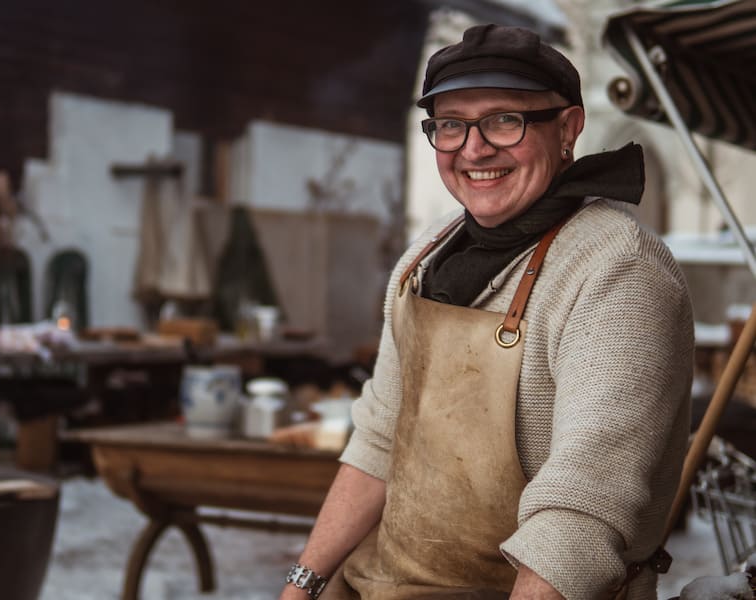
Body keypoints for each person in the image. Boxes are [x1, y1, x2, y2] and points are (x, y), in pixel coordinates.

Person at [279, 23, 694, 600]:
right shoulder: (426, 257)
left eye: (505, 119)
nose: (474, 149)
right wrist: (302, 587)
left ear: (569, 128)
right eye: (451, 125)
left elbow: (581, 509)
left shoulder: (619, 270)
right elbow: (379, 440)